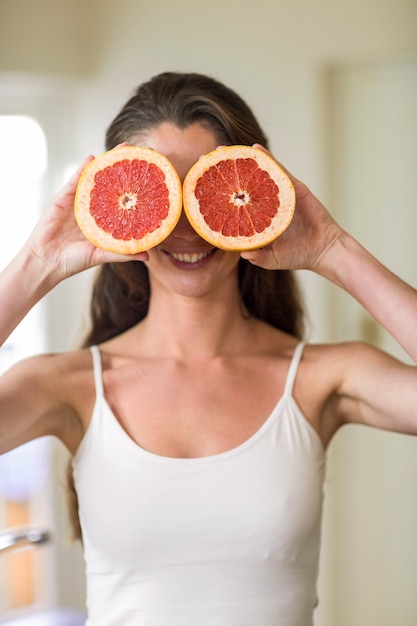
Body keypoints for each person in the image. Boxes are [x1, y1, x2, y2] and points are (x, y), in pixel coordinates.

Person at [0, 71, 416, 626]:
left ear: (250, 189)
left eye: (206, 189)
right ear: (123, 207)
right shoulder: (69, 385)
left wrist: (332, 249)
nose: (187, 225)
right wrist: (37, 265)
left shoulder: (321, 377)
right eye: (161, 193)